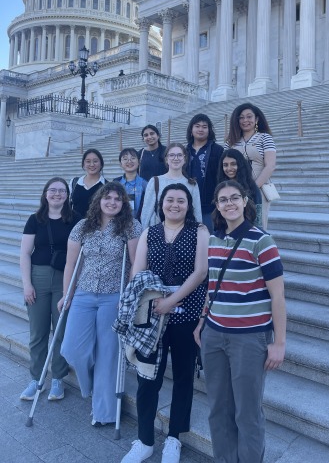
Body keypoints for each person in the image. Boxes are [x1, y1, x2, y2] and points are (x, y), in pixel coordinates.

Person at [194, 180, 286, 463]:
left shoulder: (262, 240)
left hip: (249, 338)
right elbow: (212, 286)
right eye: (223, 200)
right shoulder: (214, 239)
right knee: (218, 408)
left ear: (246, 201)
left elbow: (278, 296)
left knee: (247, 412)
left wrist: (279, 343)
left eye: (235, 197)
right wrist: (202, 321)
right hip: (214, 334)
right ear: (217, 206)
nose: (229, 203)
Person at [121, 183, 209, 463]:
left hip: (187, 309)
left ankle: (174, 438)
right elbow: (138, 270)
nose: (175, 205)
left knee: (183, 376)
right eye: (169, 200)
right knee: (148, 377)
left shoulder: (200, 231)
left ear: (188, 204)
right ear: (161, 204)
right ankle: (145, 439)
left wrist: (172, 300)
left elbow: (201, 272)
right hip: (152, 311)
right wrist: (147, 299)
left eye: (180, 201)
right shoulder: (150, 231)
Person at [59, 182, 141, 426]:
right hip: (83, 293)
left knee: (108, 354)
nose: (112, 202)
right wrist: (67, 295)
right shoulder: (83, 227)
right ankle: (92, 387)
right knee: (72, 348)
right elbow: (71, 265)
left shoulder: (131, 226)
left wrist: (127, 297)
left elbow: (136, 265)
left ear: (123, 203)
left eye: (118, 199)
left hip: (113, 296)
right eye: (108, 198)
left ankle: (104, 412)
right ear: (99, 200)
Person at [19, 177, 80, 401]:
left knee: (61, 331)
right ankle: (37, 378)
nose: (57, 194)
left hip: (65, 278)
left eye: (62, 190)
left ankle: (58, 378)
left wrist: (72, 288)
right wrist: (27, 284)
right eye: (52, 190)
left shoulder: (75, 219)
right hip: (39, 276)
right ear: (45, 194)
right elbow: (25, 253)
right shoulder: (35, 220)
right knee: (38, 332)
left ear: (67, 195)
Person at [225, 103, 276, 227]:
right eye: (241, 117)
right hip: (235, 189)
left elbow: (270, 166)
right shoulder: (231, 141)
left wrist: (253, 187)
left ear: (256, 119)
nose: (245, 120)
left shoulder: (265, 138)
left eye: (249, 117)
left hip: (259, 189)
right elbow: (225, 165)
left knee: (257, 226)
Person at [140, 143, 202, 229]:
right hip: (158, 232)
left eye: (179, 155)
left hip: (184, 232)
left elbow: (197, 213)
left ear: (185, 159)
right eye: (172, 155)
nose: (176, 158)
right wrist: (144, 235)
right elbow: (146, 211)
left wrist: (198, 232)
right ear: (166, 159)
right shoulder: (155, 181)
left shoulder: (191, 184)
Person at [185, 113, 223, 232]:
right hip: (188, 205)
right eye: (197, 126)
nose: (200, 129)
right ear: (191, 129)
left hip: (210, 206)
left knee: (209, 239)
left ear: (209, 130)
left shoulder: (218, 150)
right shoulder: (184, 151)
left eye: (204, 126)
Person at [217, 148, 263, 227]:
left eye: (233, 164)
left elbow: (257, 218)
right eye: (225, 165)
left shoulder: (252, 188)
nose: (229, 168)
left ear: (240, 165)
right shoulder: (220, 187)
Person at [69, 148, 107, 218]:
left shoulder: (106, 185)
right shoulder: (74, 183)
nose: (92, 164)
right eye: (88, 161)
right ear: (83, 164)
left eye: (95, 161)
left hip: (97, 227)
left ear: (101, 164)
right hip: (74, 226)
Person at [114, 148, 147, 220]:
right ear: (120, 164)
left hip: (140, 224)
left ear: (139, 162)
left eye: (133, 158)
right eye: (125, 159)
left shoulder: (145, 184)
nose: (129, 161)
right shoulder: (116, 183)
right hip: (118, 223)